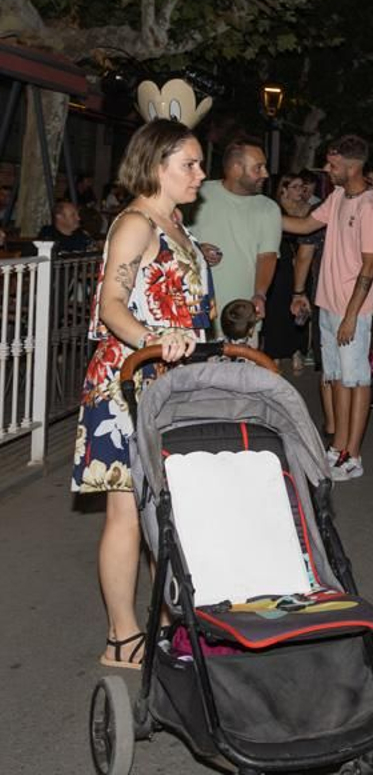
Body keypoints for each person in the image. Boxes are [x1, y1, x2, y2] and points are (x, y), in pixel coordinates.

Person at [71, 119, 212, 669]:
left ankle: (163, 621)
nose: (200, 174)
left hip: (172, 382)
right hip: (129, 381)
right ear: (157, 167)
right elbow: (111, 306)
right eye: (190, 164)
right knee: (127, 513)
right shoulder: (134, 222)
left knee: (166, 513)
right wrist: (155, 341)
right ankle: (121, 637)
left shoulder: (172, 220)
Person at [286, 136, 373, 482]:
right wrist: (259, 213)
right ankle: (338, 447)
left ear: (351, 166)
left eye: (332, 164)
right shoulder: (337, 197)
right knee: (335, 378)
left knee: (356, 381)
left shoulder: (372, 207)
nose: (326, 169)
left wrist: (351, 316)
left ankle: (353, 454)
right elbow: (304, 226)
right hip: (328, 304)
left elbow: (369, 267)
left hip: (354, 311)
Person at [187, 140, 282, 322]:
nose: (266, 174)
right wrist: (195, 251)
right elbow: (169, 239)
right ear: (236, 169)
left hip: (241, 315)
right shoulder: (197, 195)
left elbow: (267, 256)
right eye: (258, 168)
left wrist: (259, 295)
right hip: (194, 309)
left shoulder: (269, 208)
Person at [261, 175, 312, 366]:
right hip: (279, 265)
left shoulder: (308, 210)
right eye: (296, 186)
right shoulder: (274, 210)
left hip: (300, 265)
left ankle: (296, 350)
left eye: (302, 186)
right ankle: (274, 353)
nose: (301, 191)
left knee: (298, 308)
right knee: (277, 309)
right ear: (284, 189)